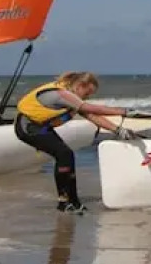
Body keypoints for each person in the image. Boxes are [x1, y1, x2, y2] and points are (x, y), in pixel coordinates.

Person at [14, 72, 129, 213]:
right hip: (27, 127)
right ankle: (63, 203)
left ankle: (74, 201)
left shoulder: (72, 100)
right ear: (81, 86)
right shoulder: (61, 94)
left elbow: (92, 116)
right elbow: (90, 108)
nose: (87, 97)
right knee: (64, 153)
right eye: (88, 93)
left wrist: (117, 130)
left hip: (41, 128)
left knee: (67, 156)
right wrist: (122, 111)